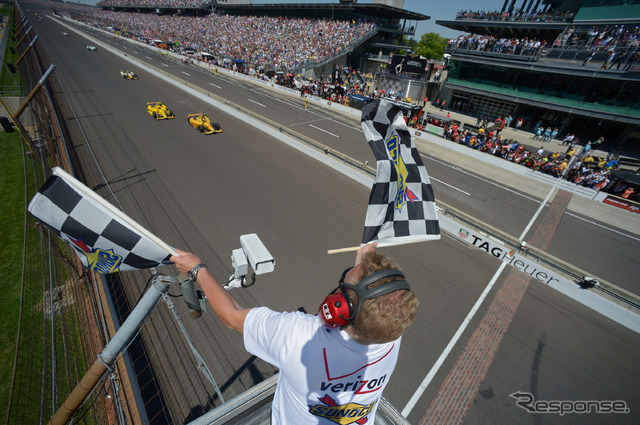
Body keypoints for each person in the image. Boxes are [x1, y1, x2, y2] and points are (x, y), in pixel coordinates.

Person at [170, 243, 418, 424]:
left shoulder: (300, 337)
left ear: (337, 309)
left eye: (345, 282)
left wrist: (196, 269)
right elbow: (382, 302)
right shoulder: (392, 332)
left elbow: (231, 316)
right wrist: (365, 267)